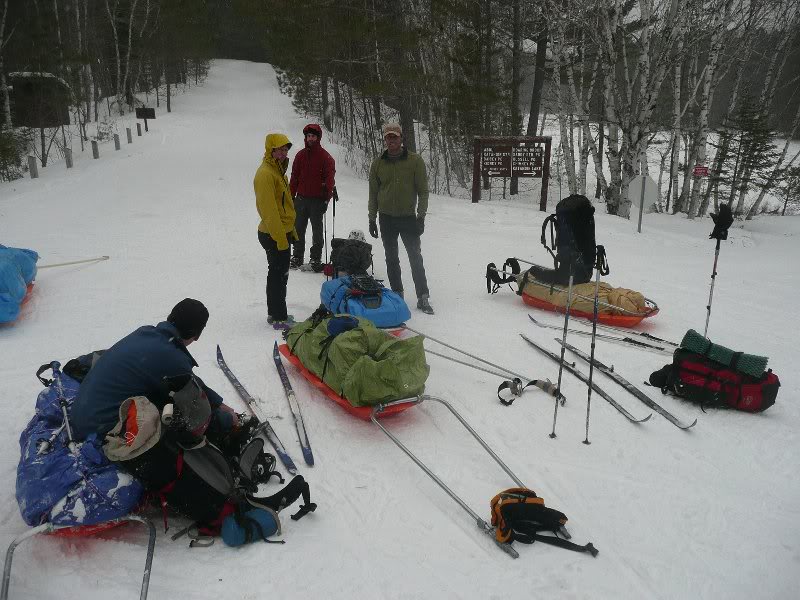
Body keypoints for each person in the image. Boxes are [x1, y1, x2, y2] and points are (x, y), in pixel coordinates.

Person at [71, 298, 238, 442]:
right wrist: (228, 420)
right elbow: (197, 411)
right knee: (174, 423)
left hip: (82, 413)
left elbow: (189, 380)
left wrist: (218, 402)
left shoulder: (145, 333)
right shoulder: (172, 357)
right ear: (196, 335)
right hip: (98, 429)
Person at [368, 123, 433, 314]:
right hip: (386, 218)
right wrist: (372, 218)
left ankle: (423, 296)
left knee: (415, 257)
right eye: (388, 137)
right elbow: (373, 193)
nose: (392, 140)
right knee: (391, 258)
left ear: (401, 138)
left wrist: (420, 217)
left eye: (395, 137)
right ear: (385, 139)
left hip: (407, 218)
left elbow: (423, 192)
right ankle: (397, 295)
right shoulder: (378, 162)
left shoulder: (415, 161)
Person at [255, 133, 298, 329]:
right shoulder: (265, 174)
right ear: (270, 150)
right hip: (273, 233)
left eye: (285, 149)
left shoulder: (278, 171)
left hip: (281, 232)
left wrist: (291, 231)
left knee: (279, 274)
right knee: (278, 275)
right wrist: (281, 238)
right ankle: (279, 316)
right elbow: (269, 211)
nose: (283, 153)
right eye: (279, 149)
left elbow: (285, 205)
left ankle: (275, 313)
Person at [289, 123, 336, 272]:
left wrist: (326, 199)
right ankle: (297, 256)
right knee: (298, 229)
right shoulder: (300, 155)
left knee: (317, 231)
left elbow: (330, 180)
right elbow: (294, 177)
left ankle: (315, 258)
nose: (310, 139)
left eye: (313, 136)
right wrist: (291, 196)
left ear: (318, 137)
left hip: (317, 200)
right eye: (308, 136)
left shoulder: (326, 157)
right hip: (301, 199)